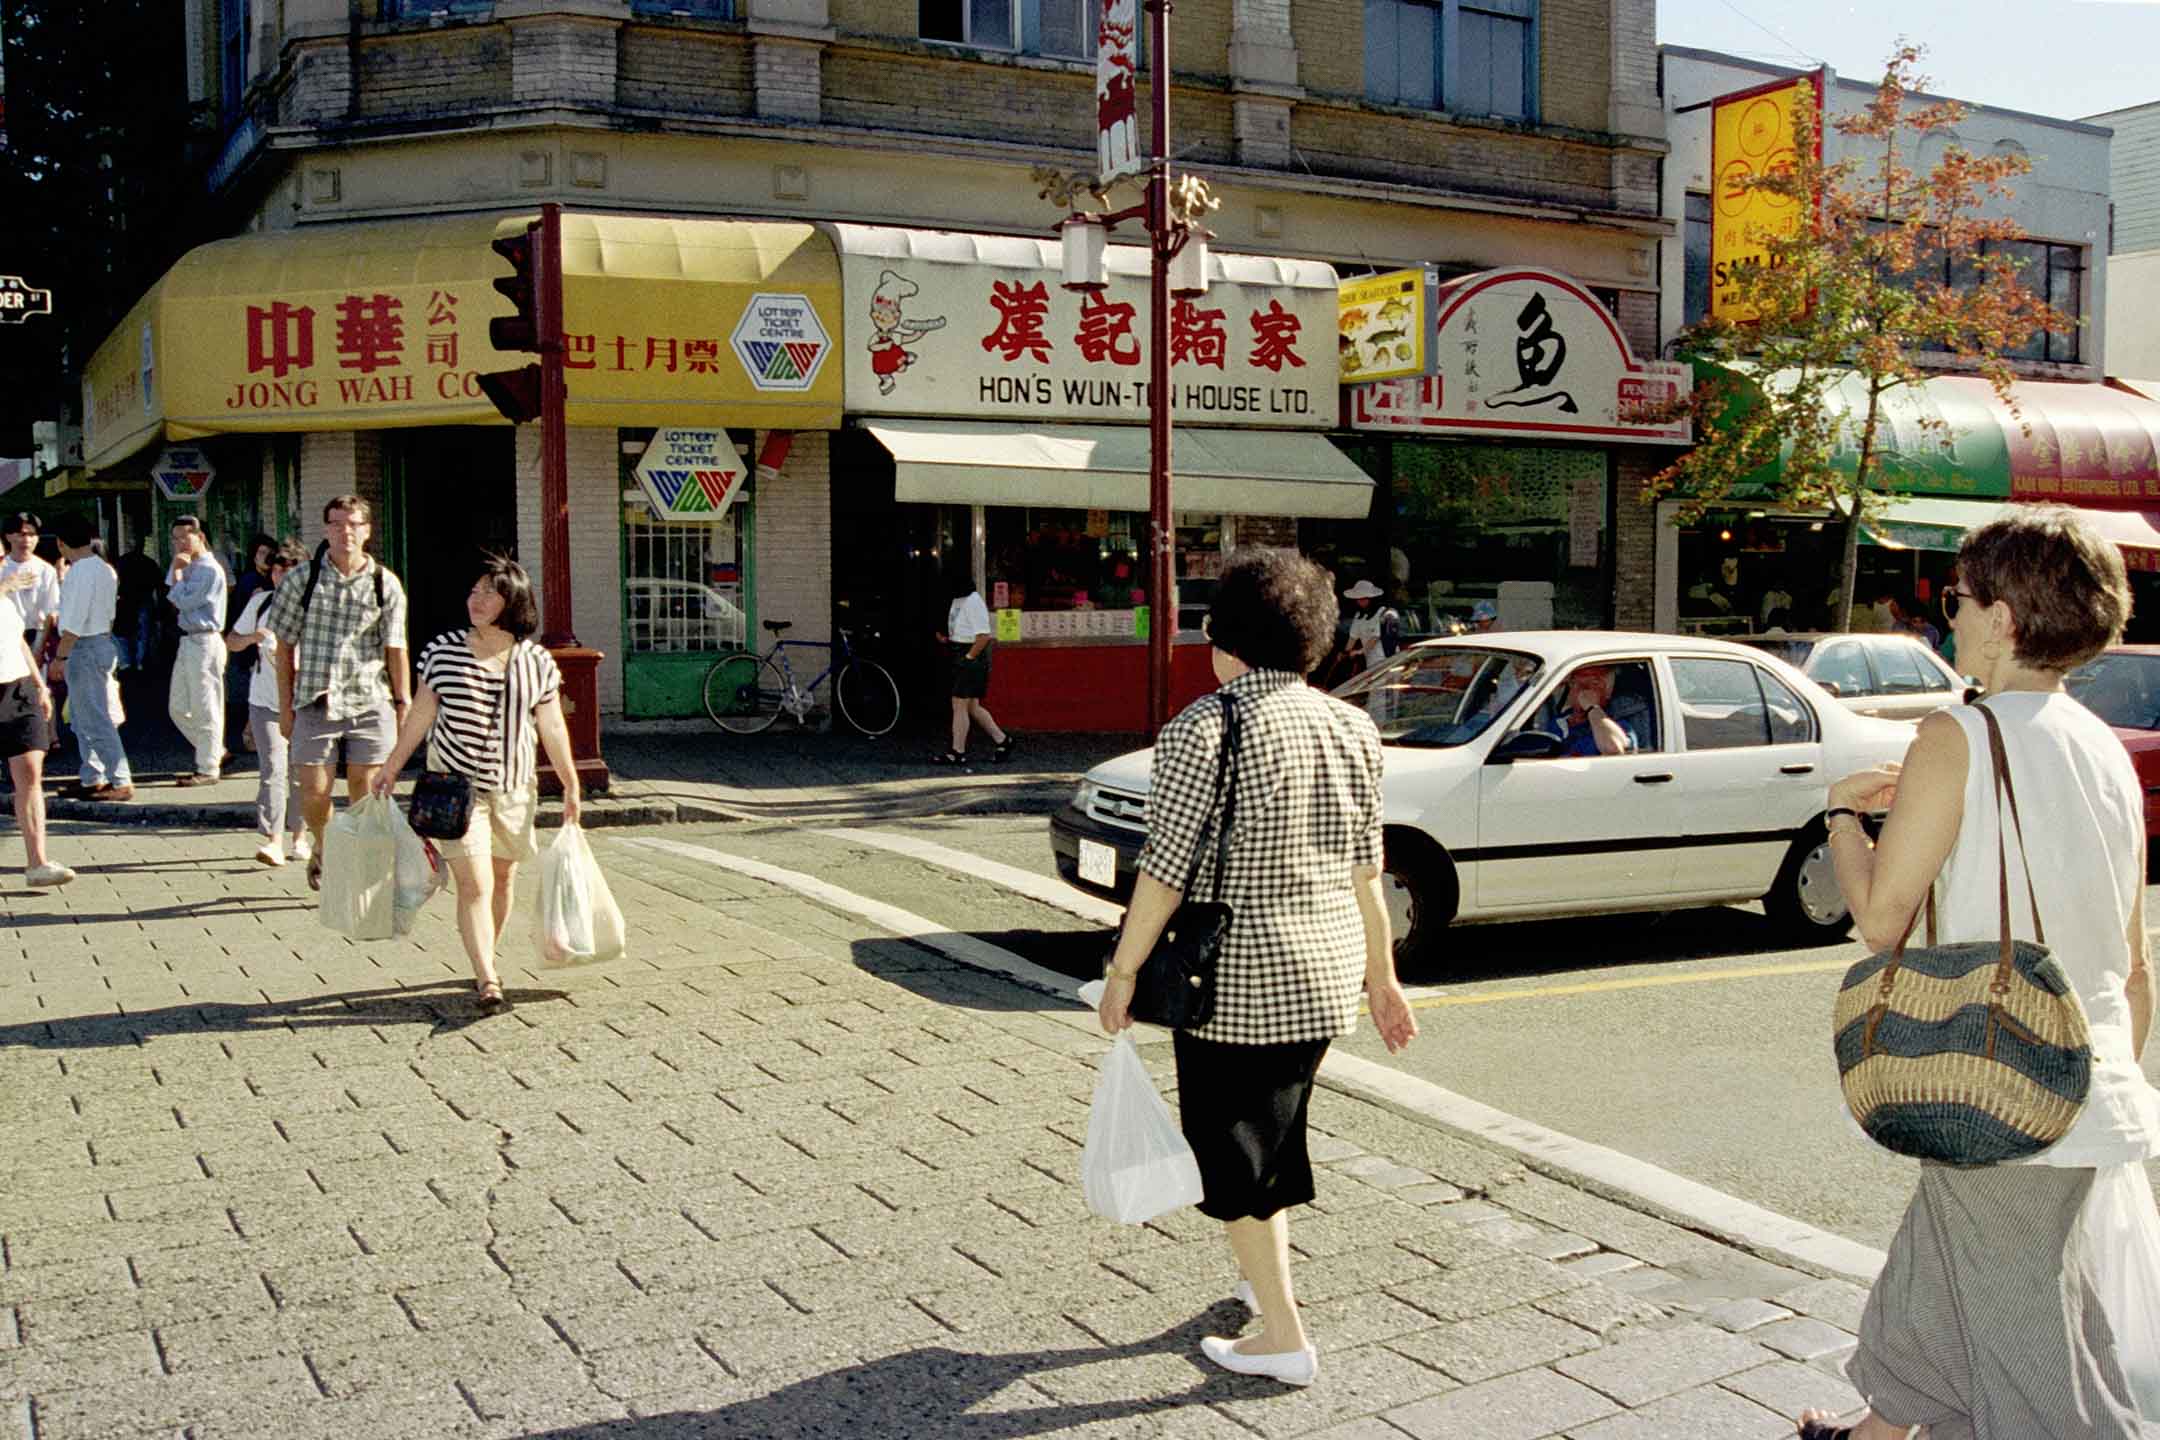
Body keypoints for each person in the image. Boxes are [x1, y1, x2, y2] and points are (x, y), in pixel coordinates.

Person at [1809, 507, 2160, 1440]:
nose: (1945, 614)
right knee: (1948, 1260)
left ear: (2002, 617)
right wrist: (2109, 1085)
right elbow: (2132, 961)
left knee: (2038, 1355)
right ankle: (1884, 1427)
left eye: (1956, 597)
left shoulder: (1957, 735)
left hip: (1998, 1075)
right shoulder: (2104, 750)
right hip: (2087, 1075)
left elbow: (1881, 924)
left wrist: (1845, 818)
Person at [1097, 548, 1419, 1388]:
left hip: (1233, 986)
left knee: (1237, 1158)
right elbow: (1366, 869)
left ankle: (1283, 1334)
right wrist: (1383, 984)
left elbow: (1164, 871)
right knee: (1271, 1135)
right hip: (1325, 975)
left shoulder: (1206, 727)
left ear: (1221, 636)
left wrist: (1124, 973)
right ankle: (1259, 1275)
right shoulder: (1351, 725)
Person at [372, 558, 580, 1013]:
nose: (476, 600)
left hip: (514, 788)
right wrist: (392, 764)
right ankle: (488, 977)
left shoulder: (537, 661)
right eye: (473, 591)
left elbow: (551, 725)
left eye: (488, 592)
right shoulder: (443, 649)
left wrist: (569, 781)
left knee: (503, 879)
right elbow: (422, 714)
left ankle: (484, 954)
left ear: (514, 602)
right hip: (456, 790)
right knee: (475, 883)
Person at [265, 495, 410, 892]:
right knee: (313, 790)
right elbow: (283, 647)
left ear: (367, 530)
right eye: (337, 523)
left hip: (369, 698)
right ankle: (326, 849)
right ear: (326, 529)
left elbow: (396, 647)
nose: (345, 531)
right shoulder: (302, 579)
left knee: (366, 788)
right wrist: (285, 707)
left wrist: (403, 703)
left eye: (354, 524)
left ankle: (359, 865)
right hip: (316, 697)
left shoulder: (385, 583)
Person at [227, 543, 308, 867]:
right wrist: (252, 638)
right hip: (264, 700)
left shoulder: (314, 606)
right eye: (277, 568)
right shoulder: (261, 602)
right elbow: (231, 640)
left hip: (304, 703)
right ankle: (274, 840)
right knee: (272, 770)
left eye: (289, 568)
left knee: (302, 773)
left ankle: (301, 836)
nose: (282, 574)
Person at [49, 519, 130, 802]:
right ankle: (92, 776)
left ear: (62, 543)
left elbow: (74, 619)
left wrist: (60, 656)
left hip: (82, 645)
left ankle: (119, 778)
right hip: (101, 640)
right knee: (84, 716)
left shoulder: (81, 571)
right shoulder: (104, 567)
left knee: (94, 717)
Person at [0, 585, 73, 887]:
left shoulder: (5, 600)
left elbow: (17, 641)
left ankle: (38, 863)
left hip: (18, 690)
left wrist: (39, 685)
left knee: (30, 772)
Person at [165, 516, 230, 786]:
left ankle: (208, 767)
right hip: (188, 638)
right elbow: (172, 593)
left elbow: (185, 601)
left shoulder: (209, 569)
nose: (180, 543)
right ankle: (215, 751)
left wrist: (179, 573)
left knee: (206, 706)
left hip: (206, 638)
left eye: (185, 537)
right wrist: (178, 570)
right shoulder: (187, 564)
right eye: (176, 538)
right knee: (177, 707)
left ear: (200, 537)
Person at [933, 571, 1012, 767]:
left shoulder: (973, 601)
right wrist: (949, 639)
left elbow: (983, 635)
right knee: (972, 707)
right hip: (963, 652)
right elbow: (965, 629)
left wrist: (968, 657)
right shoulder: (959, 599)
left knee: (958, 704)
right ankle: (1003, 740)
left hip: (972, 656)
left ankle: (957, 752)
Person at [0, 513, 62, 657]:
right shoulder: (2, 567)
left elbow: (50, 612)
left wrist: (39, 650)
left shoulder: (46, 570)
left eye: (32, 535)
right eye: (22, 534)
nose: (27, 540)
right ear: (8, 536)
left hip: (35, 636)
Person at [1550, 664, 1638, 756]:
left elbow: (1613, 748)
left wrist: (1591, 707)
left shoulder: (1616, 726)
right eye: (1576, 683)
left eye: (1593, 684)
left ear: (1607, 692)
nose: (1583, 690)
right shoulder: (1556, 721)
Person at [113, 537, 163, 674]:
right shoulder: (149, 562)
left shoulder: (121, 562)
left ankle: (126, 662)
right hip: (143, 600)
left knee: (121, 634)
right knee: (143, 634)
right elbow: (159, 585)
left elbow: (115, 583)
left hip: (125, 601)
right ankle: (141, 662)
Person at [1341, 579, 1402, 674]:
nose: (1360, 601)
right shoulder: (1359, 616)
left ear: (1371, 599)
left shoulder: (1382, 613)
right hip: (1371, 660)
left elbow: (1375, 638)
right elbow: (1353, 637)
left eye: (1363, 598)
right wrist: (1345, 652)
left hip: (1388, 658)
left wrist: (1360, 651)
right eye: (1358, 599)